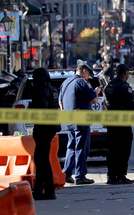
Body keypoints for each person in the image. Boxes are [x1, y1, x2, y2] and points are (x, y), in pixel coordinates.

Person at [59, 61, 101, 185]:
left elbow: (60, 102)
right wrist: (97, 92)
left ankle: (66, 174)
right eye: (88, 74)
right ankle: (80, 175)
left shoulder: (66, 82)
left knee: (71, 147)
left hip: (69, 119)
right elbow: (94, 100)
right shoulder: (82, 82)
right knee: (82, 147)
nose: (88, 77)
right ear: (84, 71)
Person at [104, 64, 134, 185]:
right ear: (124, 73)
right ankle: (121, 175)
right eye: (128, 72)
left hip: (111, 122)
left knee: (112, 150)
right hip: (122, 124)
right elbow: (131, 106)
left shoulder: (109, 86)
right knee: (123, 149)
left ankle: (111, 176)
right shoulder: (124, 87)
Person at [30, 68, 60, 200]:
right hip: (49, 128)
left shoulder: (42, 91)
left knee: (42, 160)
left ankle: (48, 190)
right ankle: (39, 190)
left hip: (43, 128)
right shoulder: (52, 90)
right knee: (41, 159)